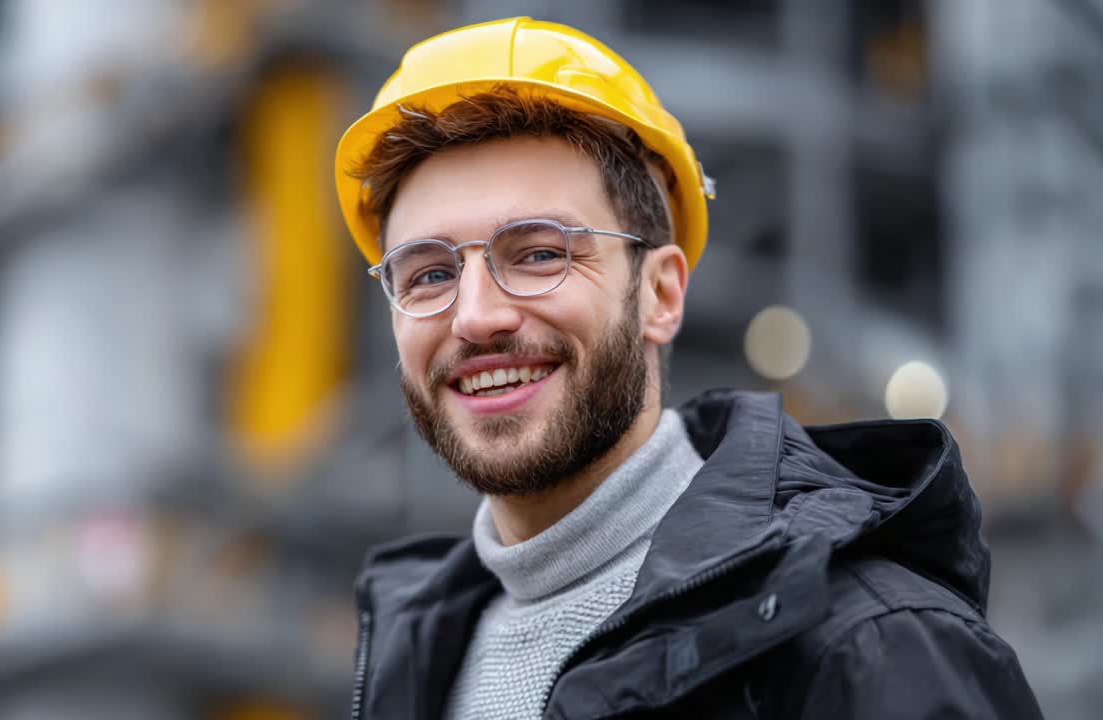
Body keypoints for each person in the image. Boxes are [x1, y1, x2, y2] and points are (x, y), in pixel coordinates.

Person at [335, 16, 1042, 719]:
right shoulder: (413, 663)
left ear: (661, 294)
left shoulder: (873, 651)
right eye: (427, 274)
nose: (475, 316)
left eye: (540, 253)